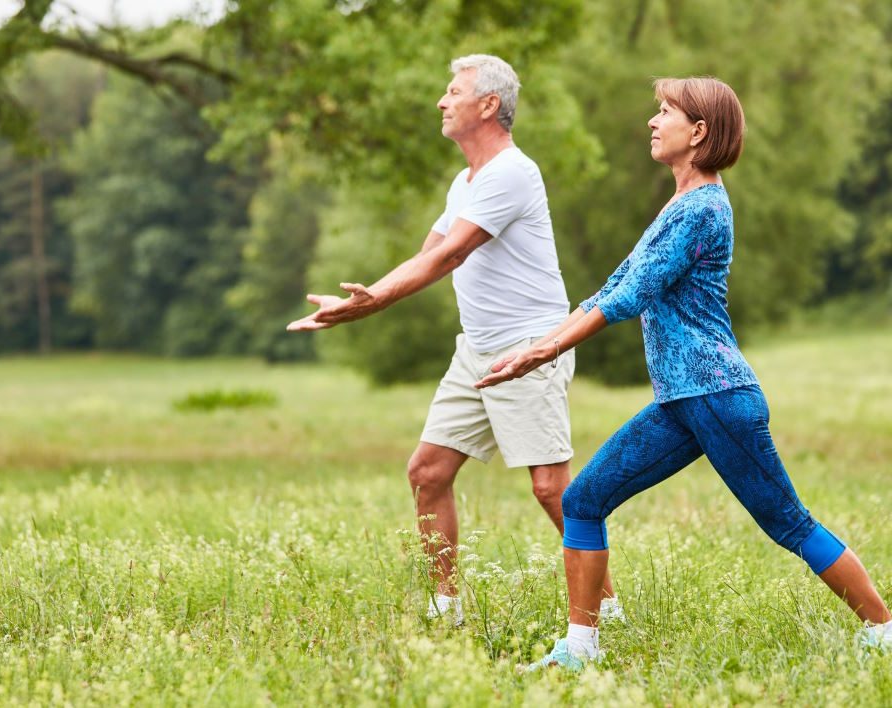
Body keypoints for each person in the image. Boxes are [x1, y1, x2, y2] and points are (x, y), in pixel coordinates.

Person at [475, 76, 892, 667]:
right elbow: (615, 283)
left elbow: (631, 297)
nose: (653, 121)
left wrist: (540, 354)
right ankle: (580, 647)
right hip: (683, 401)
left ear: (698, 132)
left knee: (788, 523)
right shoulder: (679, 204)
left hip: (718, 395)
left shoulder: (702, 209)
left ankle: (883, 628)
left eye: (665, 111)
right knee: (584, 500)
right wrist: (541, 342)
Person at [288, 54, 621, 624]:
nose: (442, 102)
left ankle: (606, 609)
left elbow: (451, 254)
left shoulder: (514, 172)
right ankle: (446, 609)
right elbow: (427, 252)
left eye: (453, 92)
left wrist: (373, 305)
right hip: (477, 348)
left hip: (528, 348)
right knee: (428, 472)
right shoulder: (463, 181)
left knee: (549, 488)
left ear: (488, 105)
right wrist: (358, 300)